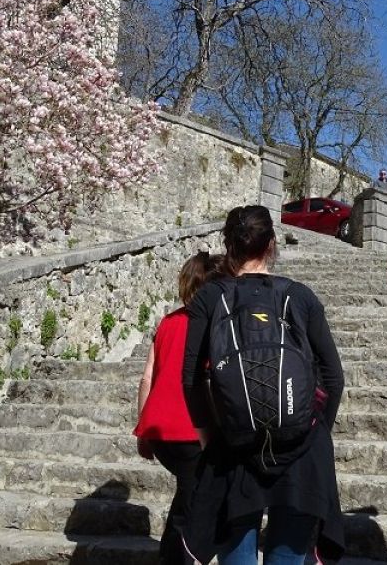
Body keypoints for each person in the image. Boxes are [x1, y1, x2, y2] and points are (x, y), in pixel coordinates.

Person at [182, 205, 346, 565]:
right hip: (302, 452)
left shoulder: (210, 297)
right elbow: (333, 376)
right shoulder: (301, 296)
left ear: (228, 245)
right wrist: (313, 430)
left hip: (233, 450)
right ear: (271, 244)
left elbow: (191, 378)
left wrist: (210, 438)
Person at [135, 252, 225, 564]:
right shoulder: (213, 325)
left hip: (159, 430)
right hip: (191, 431)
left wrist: (143, 432)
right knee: (193, 509)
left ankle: (172, 556)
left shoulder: (168, 322)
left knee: (188, 493)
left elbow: (147, 378)